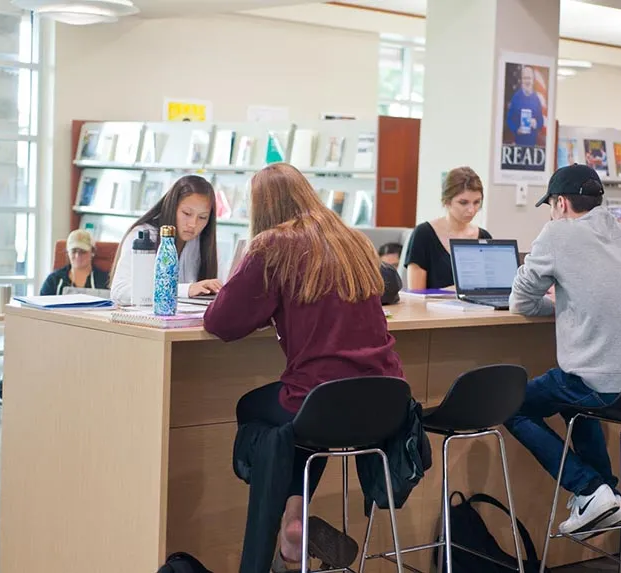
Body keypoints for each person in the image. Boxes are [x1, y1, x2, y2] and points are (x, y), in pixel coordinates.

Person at [203, 163, 404, 569]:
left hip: (323, 402)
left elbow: (220, 322)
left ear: (261, 209)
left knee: (262, 412)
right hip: (386, 401)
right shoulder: (353, 241)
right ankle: (295, 524)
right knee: (310, 420)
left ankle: (281, 530)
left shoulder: (271, 247)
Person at [503, 164, 621, 536]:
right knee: (572, 397)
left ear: (561, 203)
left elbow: (520, 302)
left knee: (513, 405)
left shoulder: (557, 233)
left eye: (550, 204)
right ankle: (606, 496)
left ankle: (589, 488)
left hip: (604, 383)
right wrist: (575, 303)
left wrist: (562, 305)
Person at [110, 175, 222, 304]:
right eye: (186, 213)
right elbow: (120, 291)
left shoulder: (203, 242)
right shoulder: (144, 235)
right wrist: (187, 290)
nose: (193, 224)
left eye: (202, 217)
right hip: (140, 320)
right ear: (171, 208)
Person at [404, 166, 492, 290]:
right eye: (463, 202)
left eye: (477, 202)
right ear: (447, 201)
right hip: (432, 309)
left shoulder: (484, 237)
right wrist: (452, 291)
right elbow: (416, 295)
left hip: (479, 309)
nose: (471, 210)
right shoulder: (423, 234)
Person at [40, 229, 110, 295]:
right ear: (68, 252)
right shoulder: (54, 280)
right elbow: (41, 305)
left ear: (93, 252)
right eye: (73, 251)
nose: (77, 256)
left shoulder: (105, 280)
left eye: (83, 252)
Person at [506, 66, 544, 147]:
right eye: (525, 78)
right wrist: (516, 129)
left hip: (532, 145)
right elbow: (509, 119)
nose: (527, 81)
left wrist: (536, 123)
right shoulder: (516, 97)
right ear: (522, 80)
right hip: (518, 144)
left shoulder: (536, 99)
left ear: (533, 81)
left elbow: (541, 120)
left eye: (529, 78)